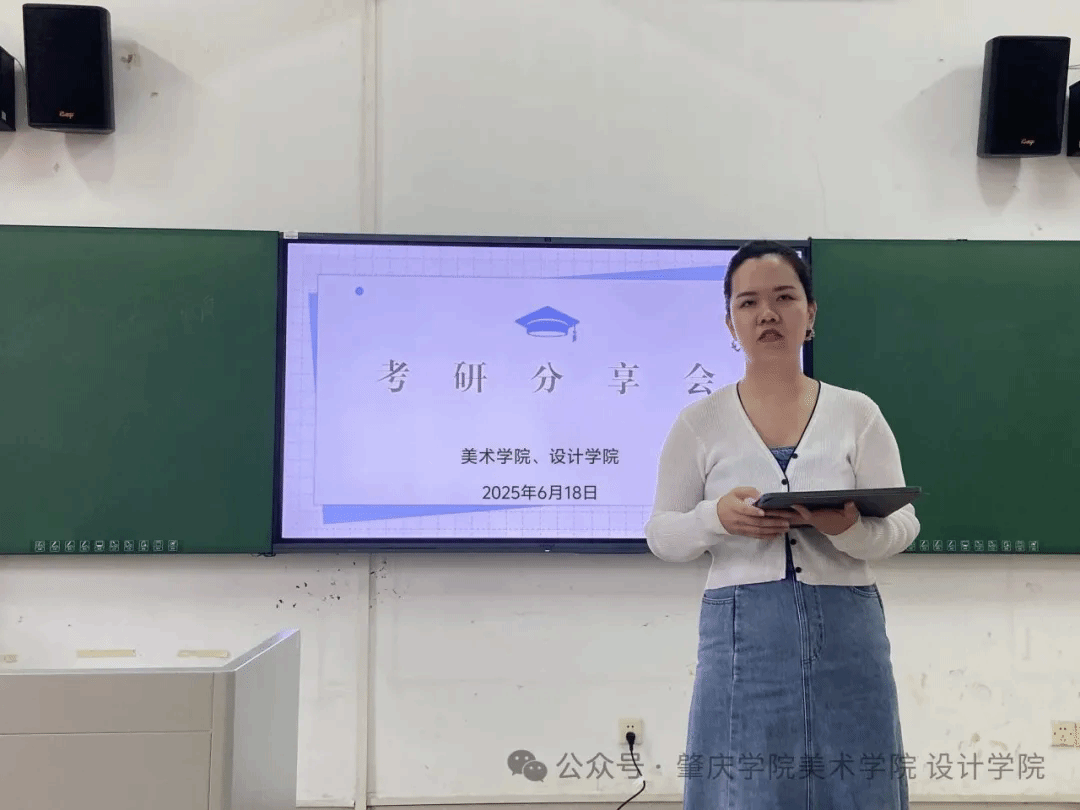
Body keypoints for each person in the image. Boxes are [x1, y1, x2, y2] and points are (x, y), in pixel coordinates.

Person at [644, 240, 919, 810]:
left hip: (847, 623)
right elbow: (662, 534)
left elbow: (903, 526)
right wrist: (715, 518)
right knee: (745, 781)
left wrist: (846, 530)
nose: (766, 314)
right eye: (748, 303)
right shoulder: (699, 422)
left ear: (810, 313)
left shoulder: (857, 413)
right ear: (731, 323)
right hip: (742, 627)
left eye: (784, 298)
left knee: (856, 775)